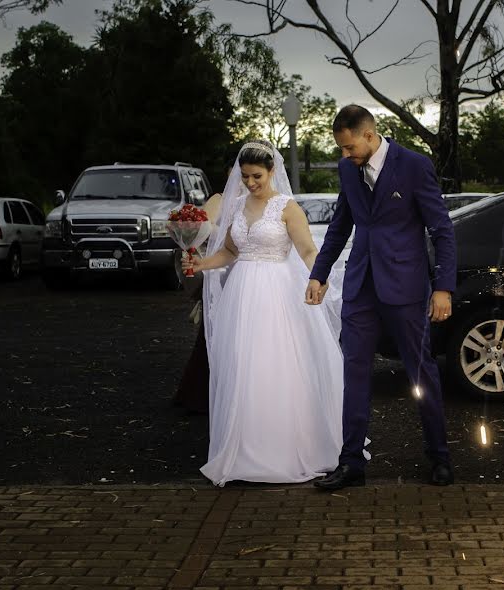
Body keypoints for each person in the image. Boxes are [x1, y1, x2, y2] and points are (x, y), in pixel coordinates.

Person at [306, 105, 457, 489]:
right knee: (353, 375)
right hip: (360, 289)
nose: (344, 155)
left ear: (369, 136)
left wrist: (443, 287)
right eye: (341, 149)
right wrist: (318, 274)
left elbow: (442, 229)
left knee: (421, 373)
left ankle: (439, 457)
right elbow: (341, 225)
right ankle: (351, 462)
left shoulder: (414, 165)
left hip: (406, 289)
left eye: (348, 147)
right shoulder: (347, 170)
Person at [182, 140, 344, 486]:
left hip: (278, 294)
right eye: (245, 176)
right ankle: (243, 450)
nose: (251, 183)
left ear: (272, 172)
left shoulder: (287, 207)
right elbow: (228, 251)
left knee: (278, 366)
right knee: (243, 365)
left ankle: (284, 449)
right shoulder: (237, 206)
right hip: (242, 294)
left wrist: (320, 278)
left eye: (257, 176)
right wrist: (201, 264)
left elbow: (307, 250)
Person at [172, 192, 222, 414]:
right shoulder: (220, 200)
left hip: (250, 271)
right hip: (220, 269)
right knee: (213, 334)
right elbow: (203, 230)